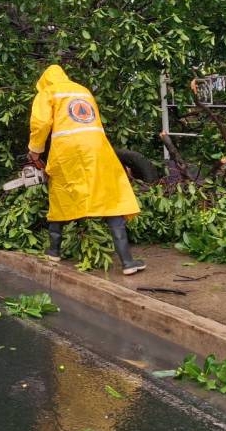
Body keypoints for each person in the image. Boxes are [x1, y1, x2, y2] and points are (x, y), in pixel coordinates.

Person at [27, 64, 145, 275]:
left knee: (61, 195)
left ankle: (53, 252)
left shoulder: (49, 91)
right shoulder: (82, 90)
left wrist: (35, 151)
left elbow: (40, 123)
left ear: (44, 81)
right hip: (97, 149)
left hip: (67, 151)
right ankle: (127, 262)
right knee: (110, 198)